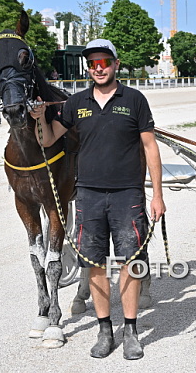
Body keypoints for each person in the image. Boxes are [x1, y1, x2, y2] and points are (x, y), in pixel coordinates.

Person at [30, 38, 166, 358]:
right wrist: (39, 117)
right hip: (88, 196)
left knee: (130, 264)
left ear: (116, 64)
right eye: (92, 64)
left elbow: (150, 147)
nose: (98, 68)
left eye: (104, 62)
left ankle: (130, 330)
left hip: (128, 196)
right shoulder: (76, 103)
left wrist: (157, 195)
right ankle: (105, 331)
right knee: (94, 266)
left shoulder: (134, 100)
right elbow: (47, 139)